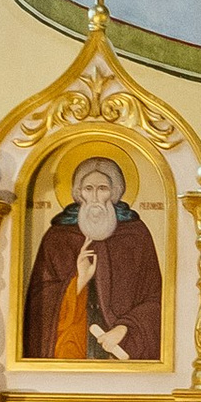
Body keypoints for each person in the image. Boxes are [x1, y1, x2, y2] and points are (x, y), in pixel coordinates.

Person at [20, 154, 165, 360]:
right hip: (70, 346)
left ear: (115, 192)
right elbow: (38, 305)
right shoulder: (58, 237)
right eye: (89, 189)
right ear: (79, 193)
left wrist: (125, 328)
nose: (95, 198)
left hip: (120, 348)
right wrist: (78, 281)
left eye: (102, 189)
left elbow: (155, 299)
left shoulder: (136, 235)